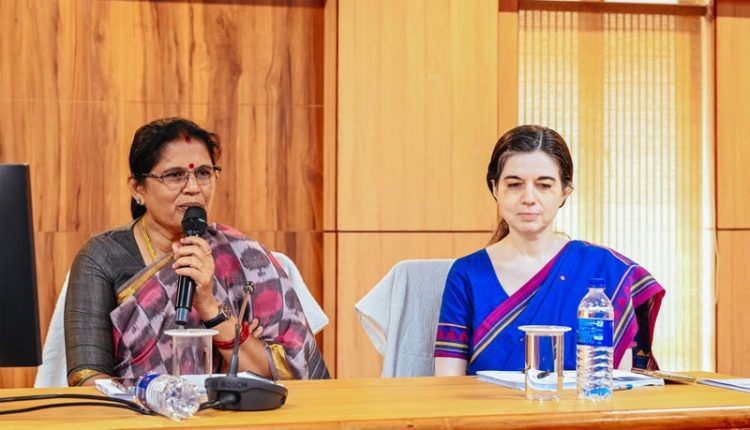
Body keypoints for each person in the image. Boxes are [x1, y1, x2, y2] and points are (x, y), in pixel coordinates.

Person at [64, 117, 329, 386]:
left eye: (203, 173)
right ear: (137, 188)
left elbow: (288, 375)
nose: (193, 188)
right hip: (136, 411)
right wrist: (156, 397)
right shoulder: (102, 258)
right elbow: (89, 380)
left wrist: (211, 309)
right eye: (174, 175)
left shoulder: (245, 258)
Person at [434, 125, 665, 376]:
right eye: (514, 184)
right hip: (487, 403)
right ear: (495, 188)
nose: (528, 198)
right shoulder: (466, 274)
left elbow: (617, 383)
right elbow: (448, 382)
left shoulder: (605, 270)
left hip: (582, 403)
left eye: (544, 185)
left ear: (564, 192)